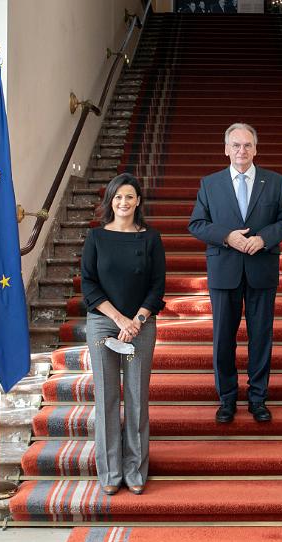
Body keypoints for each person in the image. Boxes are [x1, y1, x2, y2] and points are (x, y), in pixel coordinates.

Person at [188, 123, 282, 424]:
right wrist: (227, 237)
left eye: (247, 145)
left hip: (261, 268)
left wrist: (264, 239)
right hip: (224, 270)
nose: (241, 150)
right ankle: (227, 399)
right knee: (224, 338)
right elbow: (196, 224)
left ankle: (258, 398)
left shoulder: (275, 182)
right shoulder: (210, 184)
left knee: (261, 336)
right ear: (226, 149)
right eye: (235, 145)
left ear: (256, 149)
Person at [81, 173, 166, 496]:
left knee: (135, 397)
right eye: (118, 197)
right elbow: (89, 283)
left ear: (138, 201)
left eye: (129, 197)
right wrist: (119, 319)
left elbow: (158, 285)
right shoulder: (96, 238)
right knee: (106, 397)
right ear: (110, 201)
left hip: (141, 326)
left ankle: (134, 470)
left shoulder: (150, 239)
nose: (124, 202)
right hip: (104, 322)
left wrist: (137, 320)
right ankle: (110, 471)